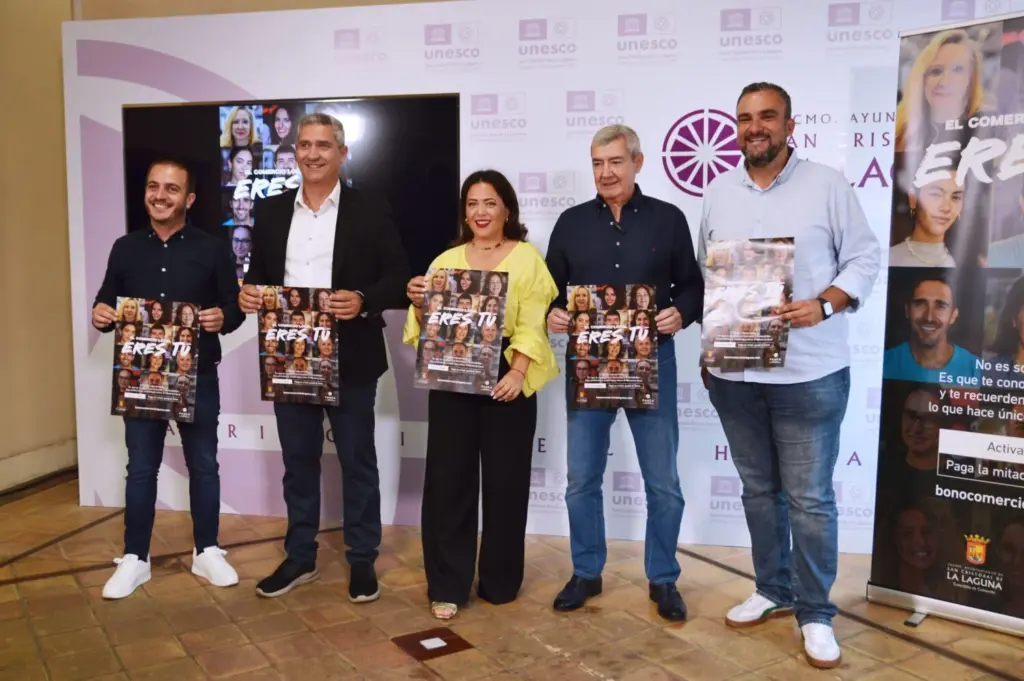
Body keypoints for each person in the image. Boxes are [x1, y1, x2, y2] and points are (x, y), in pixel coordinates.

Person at [697, 82, 881, 669]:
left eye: (767, 117)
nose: (756, 127)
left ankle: (816, 612)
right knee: (758, 491)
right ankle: (772, 589)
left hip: (810, 372)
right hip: (736, 372)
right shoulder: (717, 190)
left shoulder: (827, 184)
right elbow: (711, 272)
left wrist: (824, 303)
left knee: (809, 499)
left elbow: (865, 258)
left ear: (790, 124)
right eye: (746, 118)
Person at [238, 113, 410, 601]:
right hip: (289, 356)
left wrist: (363, 299)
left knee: (358, 460)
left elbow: (399, 275)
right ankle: (300, 557)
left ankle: (362, 560)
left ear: (342, 153)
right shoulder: (270, 212)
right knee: (298, 461)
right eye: (304, 145)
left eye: (323, 146)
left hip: (352, 354)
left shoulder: (369, 208)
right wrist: (248, 294)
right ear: (295, 153)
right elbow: (259, 276)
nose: (312, 154)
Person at [545, 124, 703, 622]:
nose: (606, 172)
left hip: (651, 361)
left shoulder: (669, 219)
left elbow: (693, 287)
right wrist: (553, 313)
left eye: (615, 161)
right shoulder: (569, 224)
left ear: (638, 161)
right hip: (587, 366)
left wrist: (682, 313)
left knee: (663, 482)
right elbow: (550, 292)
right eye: (597, 163)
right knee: (581, 481)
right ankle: (586, 572)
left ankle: (663, 579)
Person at [403, 170, 559, 621]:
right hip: (453, 387)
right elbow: (427, 329)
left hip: (507, 386)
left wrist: (518, 370)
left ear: (507, 208)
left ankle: (500, 581)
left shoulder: (527, 258)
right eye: (472, 204)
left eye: (489, 203)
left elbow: (534, 319)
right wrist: (417, 301)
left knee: (506, 487)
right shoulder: (445, 259)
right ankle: (447, 585)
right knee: (448, 486)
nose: (480, 212)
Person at [91, 158, 245, 599]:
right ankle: (135, 558)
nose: (160, 196)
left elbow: (233, 308)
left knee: (203, 465)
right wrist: (101, 315)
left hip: (198, 374)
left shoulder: (212, 248)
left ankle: (208, 551)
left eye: (171, 189)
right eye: (153, 186)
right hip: (140, 376)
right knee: (140, 468)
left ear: (189, 198)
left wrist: (223, 317)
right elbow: (106, 302)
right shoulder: (124, 247)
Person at [882, 274, 980, 385]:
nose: (929, 317)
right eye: (920, 304)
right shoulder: (884, 363)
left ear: (953, 315)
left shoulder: (975, 369)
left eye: (940, 306)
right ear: (907, 311)